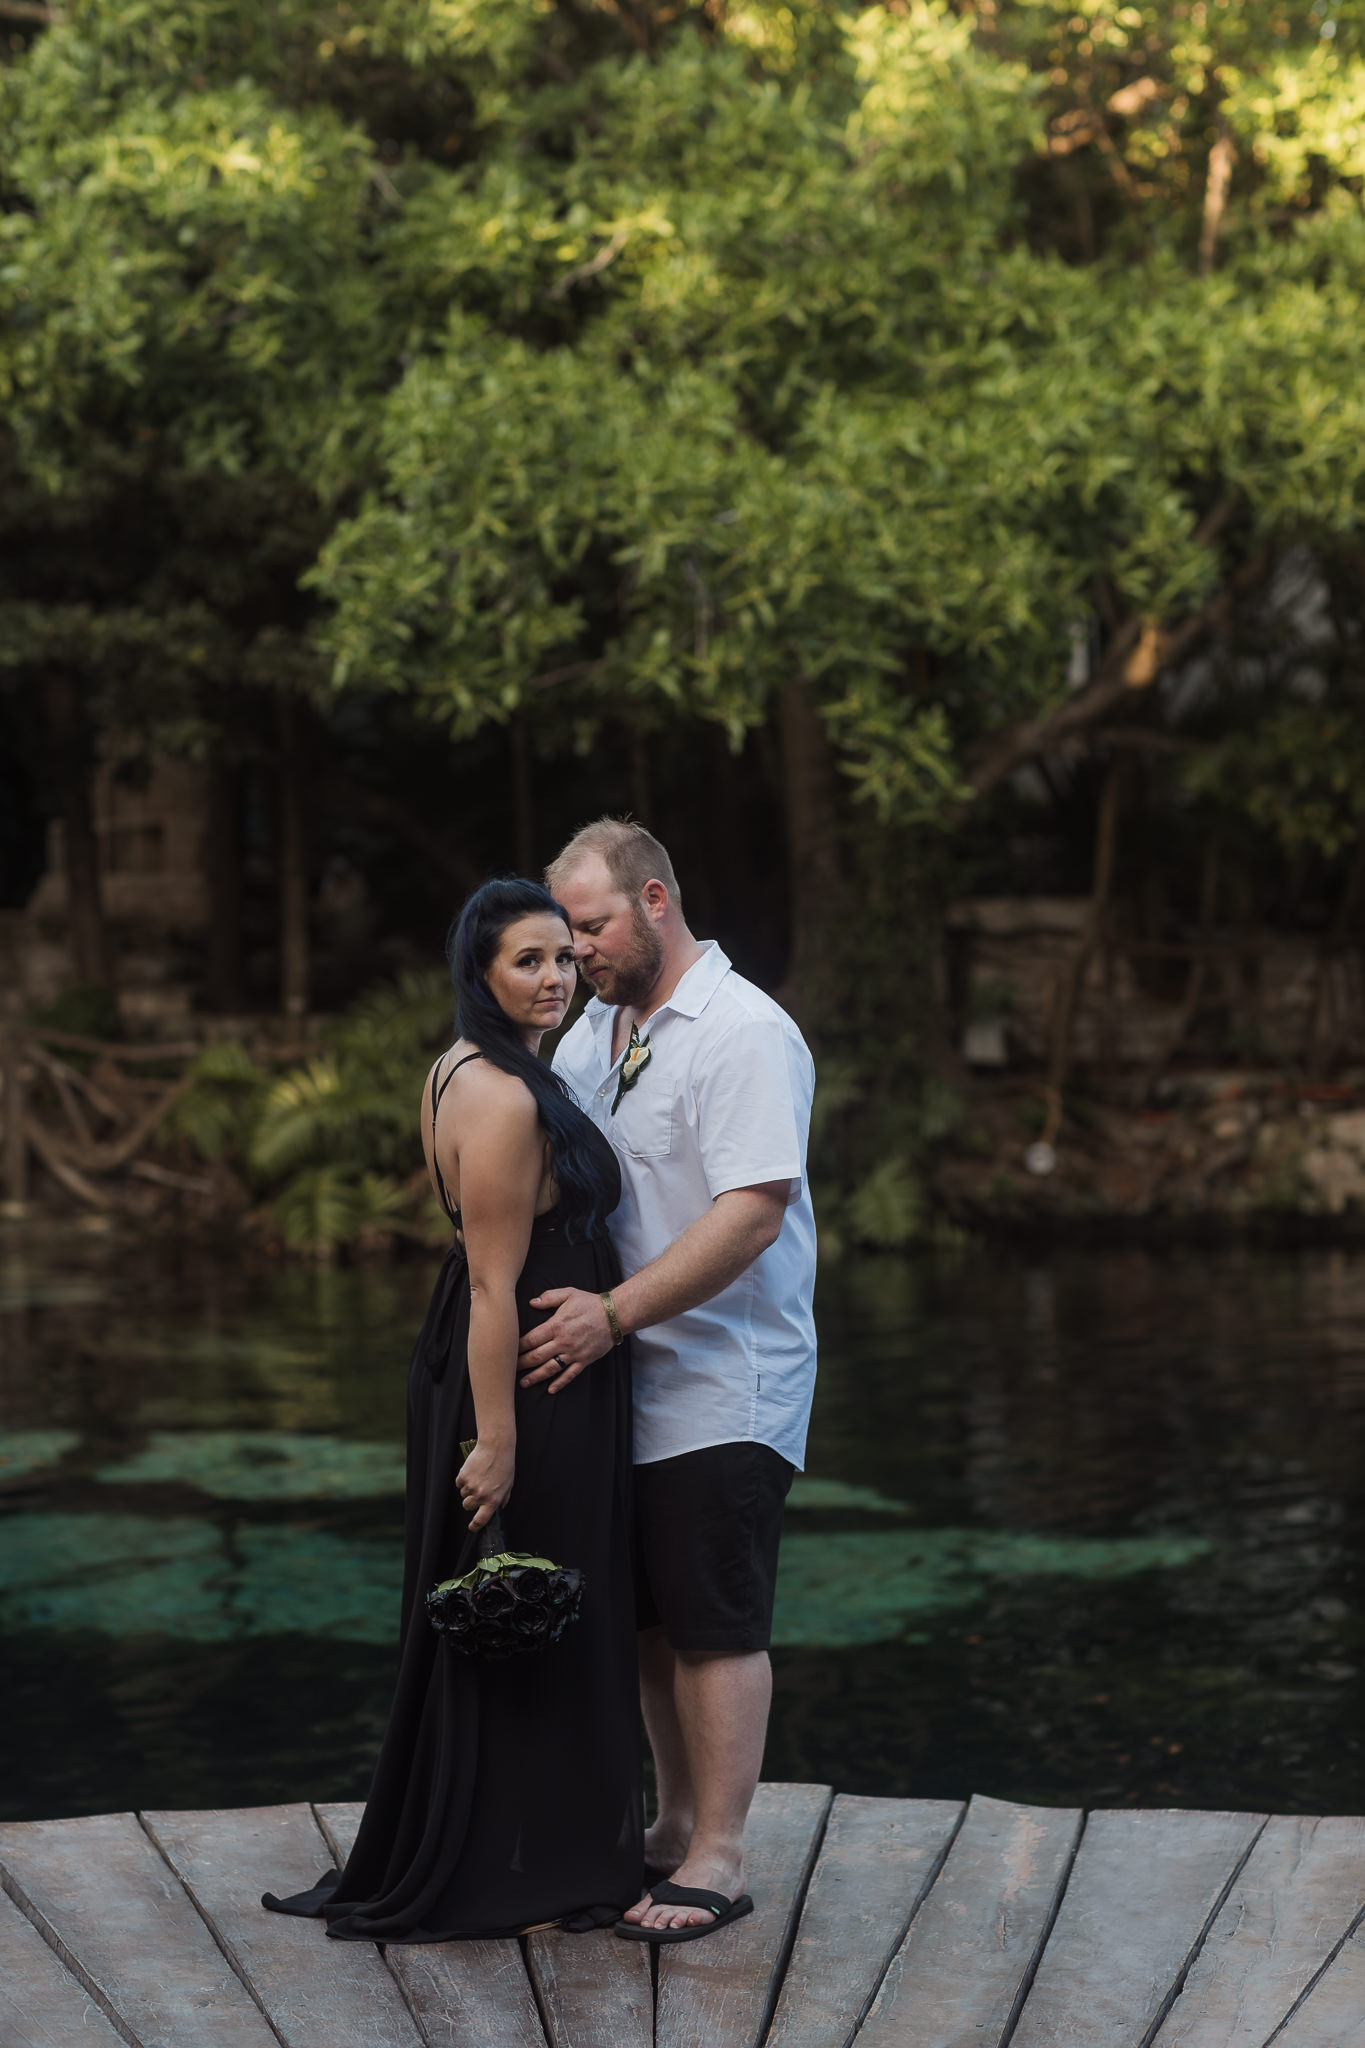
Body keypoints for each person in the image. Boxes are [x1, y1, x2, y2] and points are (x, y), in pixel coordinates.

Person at [262, 878, 641, 1940]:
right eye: (529, 959)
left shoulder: (461, 1068)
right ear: (479, 969)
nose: (556, 977)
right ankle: (533, 1864)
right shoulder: (507, 1096)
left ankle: (522, 1838)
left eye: (565, 956)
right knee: (536, 1597)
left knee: (510, 1599)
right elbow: (491, 1282)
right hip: (525, 1366)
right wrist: (501, 1438)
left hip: (498, 1356)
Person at [517, 819, 818, 1943]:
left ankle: (722, 1856)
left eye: (589, 927)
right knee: (646, 1621)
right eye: (564, 932)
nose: (576, 952)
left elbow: (751, 1211)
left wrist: (612, 1314)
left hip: (725, 1375)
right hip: (622, 1375)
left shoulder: (744, 1030)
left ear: (653, 901)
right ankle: (675, 1820)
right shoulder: (594, 1032)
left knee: (713, 1619)